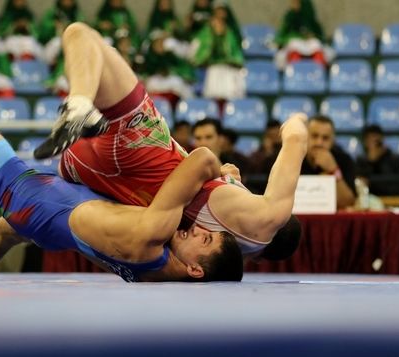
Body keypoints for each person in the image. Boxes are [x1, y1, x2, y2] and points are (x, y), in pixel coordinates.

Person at [33, 23, 303, 262]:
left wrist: (296, 121)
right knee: (103, 58)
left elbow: (295, 140)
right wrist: (227, 181)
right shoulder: (218, 249)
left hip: (146, 152)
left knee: (80, 35)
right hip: (107, 181)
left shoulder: (266, 219)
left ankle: (79, 106)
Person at [0, 96, 243, 282]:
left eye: (207, 239)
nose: (201, 229)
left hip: (36, 200)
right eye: (209, 232)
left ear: (195, 269)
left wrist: (225, 180)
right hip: (59, 219)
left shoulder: (152, 234)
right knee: (4, 235)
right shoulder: (158, 272)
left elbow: (201, 159)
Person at [302, 115, 357, 209]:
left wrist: (334, 170)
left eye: (325, 138)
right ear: (306, 137)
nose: (319, 143)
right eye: (314, 136)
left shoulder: (344, 160)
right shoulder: (293, 159)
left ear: (332, 141)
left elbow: (348, 202)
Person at [356, 124, 399, 196]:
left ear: (382, 139)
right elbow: (361, 185)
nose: (373, 144)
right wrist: (371, 161)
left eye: (376, 141)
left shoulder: (395, 159)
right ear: (365, 142)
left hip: (392, 199)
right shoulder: (361, 160)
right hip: (367, 200)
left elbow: (398, 184)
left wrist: (380, 157)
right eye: (369, 140)